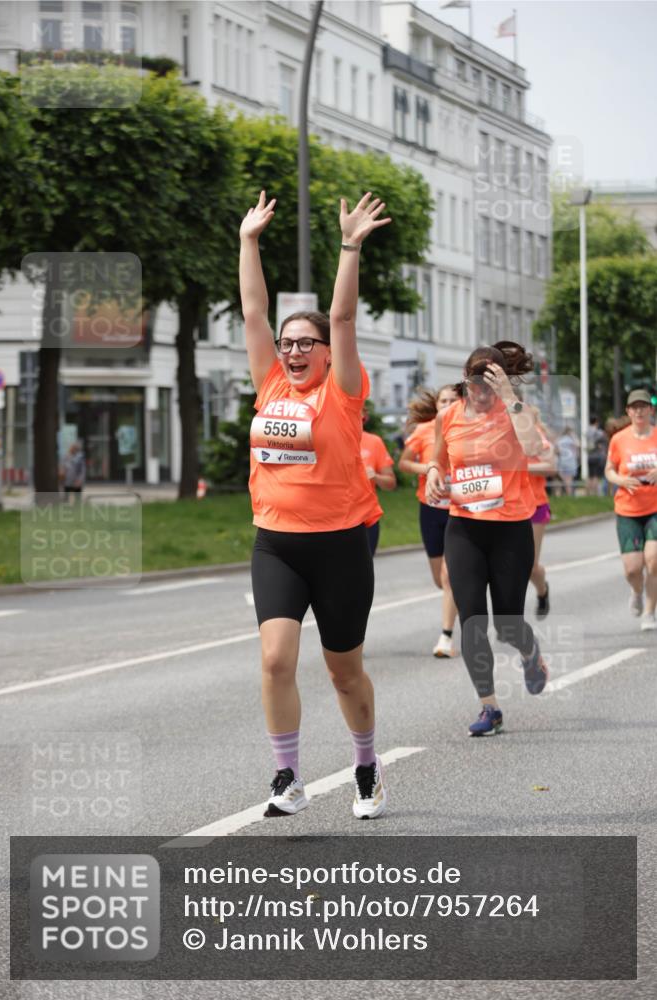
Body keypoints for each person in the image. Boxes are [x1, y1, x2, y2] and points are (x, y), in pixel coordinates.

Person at [240, 189, 391, 819]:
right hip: (276, 540)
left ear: (328, 353)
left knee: (343, 673)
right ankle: (288, 776)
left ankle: (366, 767)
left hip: (340, 544)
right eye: (289, 343)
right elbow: (253, 314)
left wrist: (349, 247)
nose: (294, 351)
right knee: (275, 660)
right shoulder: (271, 383)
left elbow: (345, 317)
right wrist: (248, 242)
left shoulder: (344, 394)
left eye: (307, 343)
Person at [426, 341, 549, 737]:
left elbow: (533, 449)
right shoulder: (448, 417)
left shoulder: (518, 413)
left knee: (508, 624)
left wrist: (509, 396)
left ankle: (531, 654)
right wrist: (432, 473)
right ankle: (489, 706)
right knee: (472, 621)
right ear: (465, 380)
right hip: (464, 528)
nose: (481, 391)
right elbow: (439, 458)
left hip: (511, 529)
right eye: (475, 382)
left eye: (490, 382)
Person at [398, 385, 459, 657]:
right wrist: (429, 468)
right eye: (442, 401)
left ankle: (445, 637)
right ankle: (459, 598)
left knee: (450, 576)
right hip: (430, 508)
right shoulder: (424, 431)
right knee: (439, 578)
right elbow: (404, 463)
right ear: (436, 406)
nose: (446, 405)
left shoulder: (467, 430)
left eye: (452, 400)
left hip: (459, 509)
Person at [605, 389, 657, 632]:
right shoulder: (619, 439)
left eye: (643, 406)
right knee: (633, 568)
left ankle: (649, 612)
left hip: (655, 507)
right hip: (628, 509)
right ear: (628, 411)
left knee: (653, 561)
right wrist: (621, 481)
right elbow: (609, 470)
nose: (639, 411)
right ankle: (636, 591)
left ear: (651, 410)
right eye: (634, 407)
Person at [526, 408, 557, 619]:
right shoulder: (498, 433)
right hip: (505, 506)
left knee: (529, 566)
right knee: (506, 566)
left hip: (535, 506)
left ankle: (542, 590)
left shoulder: (535, 435)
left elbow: (550, 466)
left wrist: (520, 467)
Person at [361, 409, 397, 556]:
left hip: (367, 518)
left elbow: (391, 482)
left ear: (364, 417)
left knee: (364, 573)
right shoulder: (332, 439)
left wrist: (375, 476)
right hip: (336, 520)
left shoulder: (374, 442)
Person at [586, 416, 608, 496]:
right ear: (596, 422)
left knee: (589, 476)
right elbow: (604, 438)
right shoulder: (599, 432)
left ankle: (588, 493)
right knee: (596, 475)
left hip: (589, 455)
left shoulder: (587, 431)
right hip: (597, 455)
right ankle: (594, 493)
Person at [556, 426, 579, 496]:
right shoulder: (572, 440)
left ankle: (558, 495)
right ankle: (569, 495)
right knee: (569, 480)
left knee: (560, 480)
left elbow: (557, 451)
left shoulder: (560, 440)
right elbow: (578, 445)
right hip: (570, 462)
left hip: (562, 461)